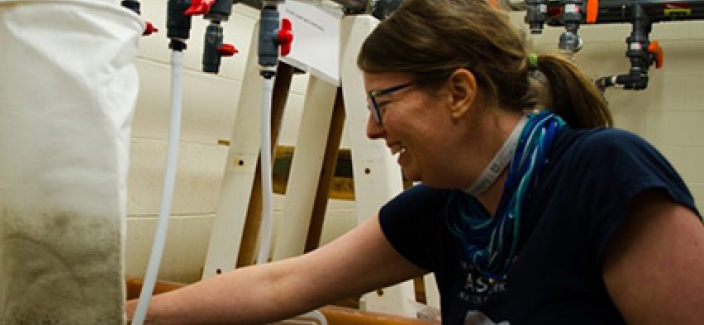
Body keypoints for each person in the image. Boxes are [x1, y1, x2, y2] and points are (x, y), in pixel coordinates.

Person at [125, 0, 704, 323]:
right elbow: (285, 282)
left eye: (383, 102)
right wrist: (115, 315)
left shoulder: (606, 173)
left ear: (459, 92)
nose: (372, 127)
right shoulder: (445, 209)